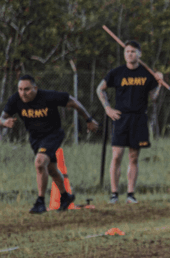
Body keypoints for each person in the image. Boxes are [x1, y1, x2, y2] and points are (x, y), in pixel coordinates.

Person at [1, 74, 100, 213]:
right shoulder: (15, 99)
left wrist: (88, 119)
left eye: (27, 89)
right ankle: (66, 196)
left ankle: (40, 202)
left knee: (40, 162)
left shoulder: (48, 96)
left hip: (53, 134)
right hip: (36, 138)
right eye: (20, 89)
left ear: (35, 88)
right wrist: (4, 122)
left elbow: (73, 102)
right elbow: (2, 117)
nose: (23, 93)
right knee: (51, 169)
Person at [97, 40, 163, 204]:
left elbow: (153, 98)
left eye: (133, 51)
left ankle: (130, 195)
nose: (130, 54)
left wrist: (159, 82)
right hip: (121, 118)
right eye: (127, 51)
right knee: (117, 155)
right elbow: (100, 89)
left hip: (139, 118)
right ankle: (114, 194)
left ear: (139, 54)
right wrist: (107, 108)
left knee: (133, 157)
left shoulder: (147, 73)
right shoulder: (117, 72)